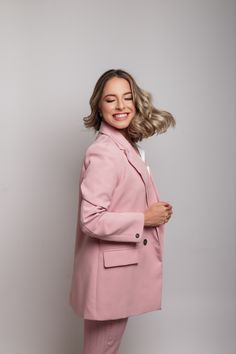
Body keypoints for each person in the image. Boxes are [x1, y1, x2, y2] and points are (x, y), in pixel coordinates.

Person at [69, 69, 176, 354]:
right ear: (99, 107)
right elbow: (90, 220)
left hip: (117, 270)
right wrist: (145, 219)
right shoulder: (104, 152)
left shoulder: (125, 146)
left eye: (127, 98)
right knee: (102, 349)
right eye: (111, 99)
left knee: (106, 347)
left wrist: (154, 211)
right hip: (109, 274)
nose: (121, 106)